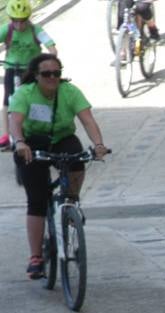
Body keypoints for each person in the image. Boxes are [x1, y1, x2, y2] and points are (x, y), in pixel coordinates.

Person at [8, 53, 108, 278]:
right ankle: (35, 257)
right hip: (33, 142)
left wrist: (99, 144)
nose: (52, 78)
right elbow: (15, 121)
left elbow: (88, 120)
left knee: (78, 161)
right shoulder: (25, 93)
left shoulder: (70, 92)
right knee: (37, 200)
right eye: (46, 74)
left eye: (57, 73)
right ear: (36, 75)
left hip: (62, 138)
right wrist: (20, 142)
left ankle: (71, 202)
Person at [0, 0, 56, 153]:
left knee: (38, 98)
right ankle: (5, 135)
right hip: (11, 68)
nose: (18, 25)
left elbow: (51, 48)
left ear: (28, 18)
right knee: (7, 101)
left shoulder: (35, 30)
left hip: (31, 70)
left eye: (22, 21)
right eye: (14, 21)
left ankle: (44, 131)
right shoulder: (7, 30)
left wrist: (50, 60)